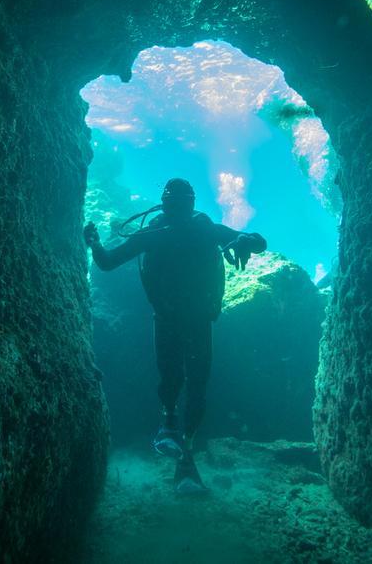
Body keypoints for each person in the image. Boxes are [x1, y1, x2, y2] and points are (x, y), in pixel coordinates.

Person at [83, 178, 267, 494]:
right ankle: (179, 439)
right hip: (192, 321)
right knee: (191, 384)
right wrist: (245, 241)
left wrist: (94, 241)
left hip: (174, 319)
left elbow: (107, 262)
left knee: (179, 381)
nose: (180, 210)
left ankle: (176, 437)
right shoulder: (195, 230)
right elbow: (258, 241)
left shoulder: (165, 232)